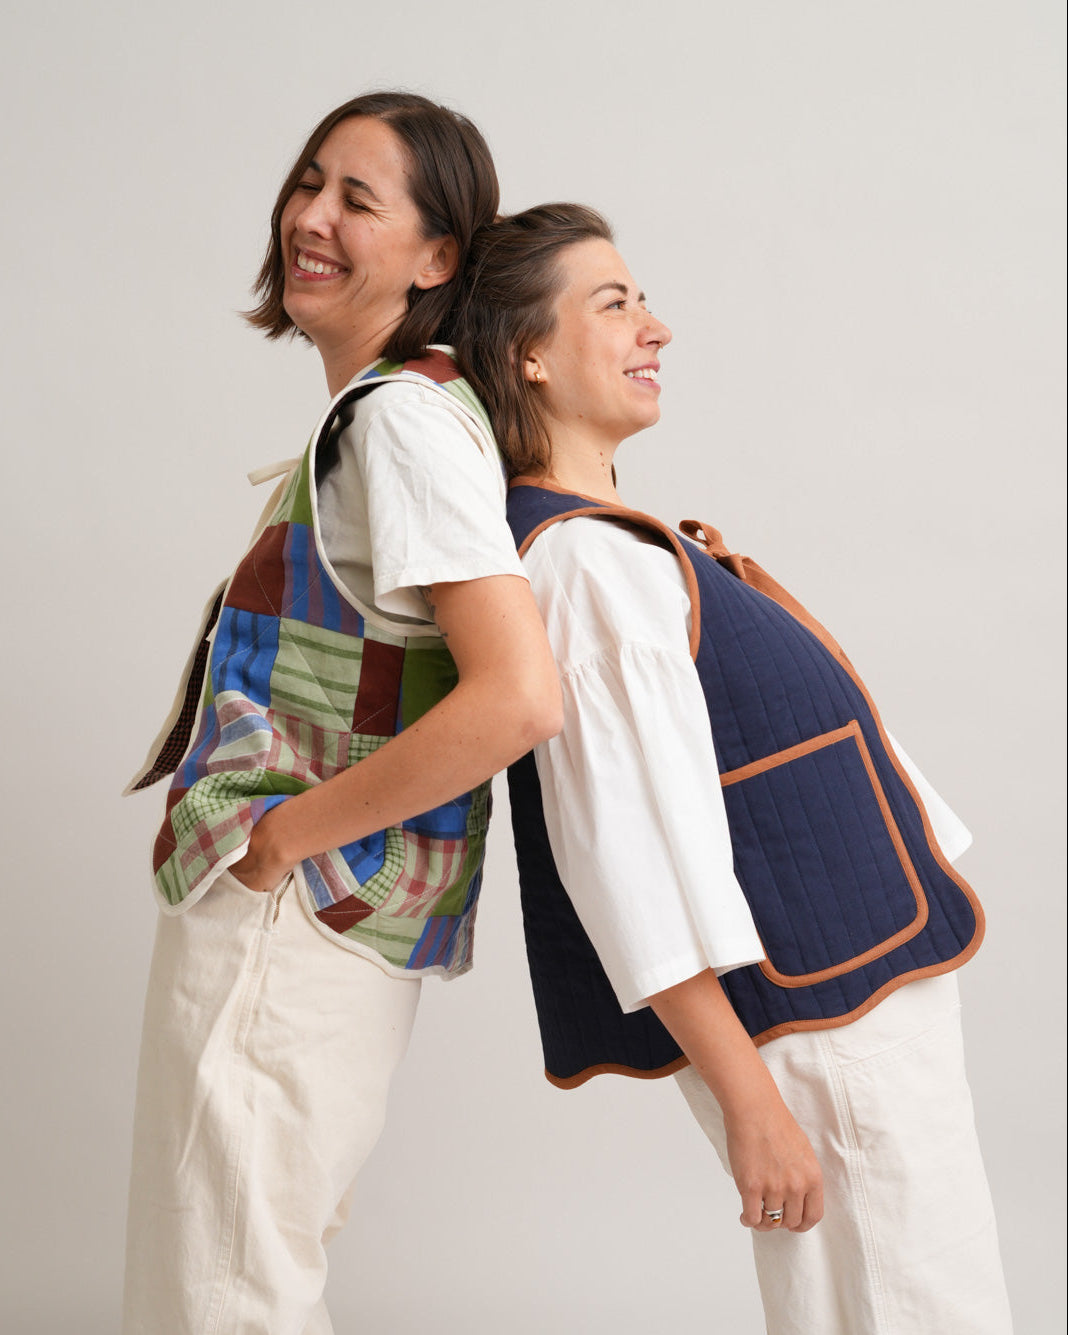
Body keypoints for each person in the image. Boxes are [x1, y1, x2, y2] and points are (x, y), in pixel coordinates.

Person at [455, 203, 1013, 1334]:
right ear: (527, 353)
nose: (656, 325)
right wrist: (749, 1098)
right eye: (613, 304)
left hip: (846, 997)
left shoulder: (617, 544)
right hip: (815, 1019)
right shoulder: (582, 570)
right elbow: (628, 861)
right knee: (921, 1306)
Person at [122, 95, 561, 1335]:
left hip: (295, 917)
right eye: (307, 182)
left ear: (439, 260)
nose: (308, 217)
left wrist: (286, 839)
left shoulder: (403, 423)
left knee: (218, 1294)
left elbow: (518, 695)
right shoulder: (406, 410)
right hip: (331, 920)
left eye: (356, 201)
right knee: (243, 1273)